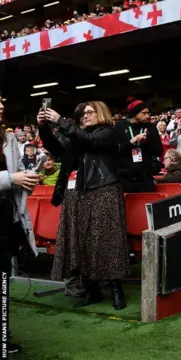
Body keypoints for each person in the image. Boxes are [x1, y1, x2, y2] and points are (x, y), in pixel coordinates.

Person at [38, 102, 131, 309]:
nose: (85, 116)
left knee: (108, 240)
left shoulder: (108, 132)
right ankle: (92, 290)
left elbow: (92, 142)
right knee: (82, 241)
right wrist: (44, 126)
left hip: (104, 189)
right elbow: (56, 148)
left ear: (102, 113)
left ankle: (117, 289)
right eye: (82, 114)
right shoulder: (78, 137)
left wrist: (61, 121)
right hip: (78, 192)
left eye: (90, 112)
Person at [0, 100, 40, 355]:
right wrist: (11, 178)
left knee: (2, 280)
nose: (1, 105)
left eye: (2, 101)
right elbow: (10, 176)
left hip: (5, 218)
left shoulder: (9, 138)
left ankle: (3, 335)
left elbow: (15, 175)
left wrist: (26, 180)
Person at [115, 97, 164, 193]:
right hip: (125, 178)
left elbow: (159, 151)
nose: (147, 116)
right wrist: (131, 142)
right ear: (135, 113)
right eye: (144, 113)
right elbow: (115, 150)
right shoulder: (120, 126)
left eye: (148, 113)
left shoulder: (150, 127)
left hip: (146, 179)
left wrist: (147, 142)